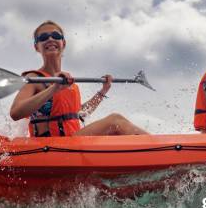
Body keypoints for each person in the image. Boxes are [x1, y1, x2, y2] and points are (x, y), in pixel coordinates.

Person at [10, 20, 148, 137]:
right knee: (115, 120)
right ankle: (167, 150)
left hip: (72, 142)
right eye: (43, 37)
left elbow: (79, 113)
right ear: (36, 47)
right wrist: (54, 88)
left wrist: (103, 92)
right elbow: (15, 113)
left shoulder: (70, 83)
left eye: (56, 35)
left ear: (63, 43)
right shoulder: (34, 78)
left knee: (118, 128)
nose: (50, 38)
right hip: (51, 146)